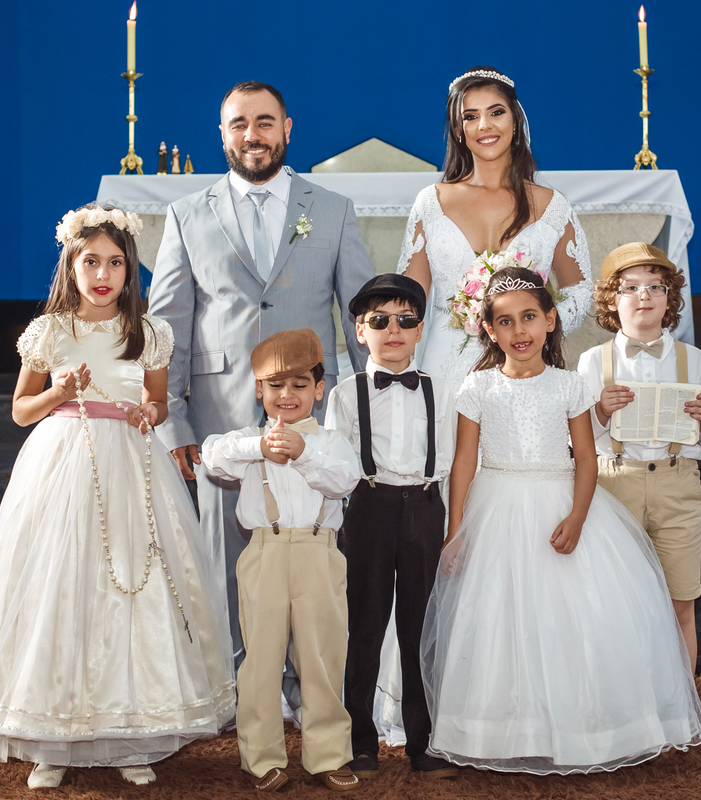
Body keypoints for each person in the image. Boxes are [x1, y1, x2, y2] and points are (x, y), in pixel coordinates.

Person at [0, 204, 235, 790]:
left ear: (131, 271)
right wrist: (57, 388)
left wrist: (148, 412)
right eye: (91, 262)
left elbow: (158, 404)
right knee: (62, 592)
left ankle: (130, 735)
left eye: (115, 263)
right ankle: (53, 741)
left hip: (131, 469)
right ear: (71, 265)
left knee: (132, 592)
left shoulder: (150, 333)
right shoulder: (52, 331)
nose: (103, 273)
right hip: (63, 466)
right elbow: (19, 411)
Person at [420, 266, 701, 774]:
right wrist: (455, 532)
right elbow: (464, 462)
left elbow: (584, 457)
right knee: (498, 622)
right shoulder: (478, 387)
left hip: (562, 503)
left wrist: (578, 517)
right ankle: (502, 730)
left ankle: (587, 729)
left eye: (529, 317)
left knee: (575, 621)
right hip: (498, 509)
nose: (520, 331)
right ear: (488, 329)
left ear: (551, 320)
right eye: (505, 322)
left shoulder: (569, 385)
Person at [149, 81, 374, 657]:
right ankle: (235, 677)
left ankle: (307, 677)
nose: (253, 135)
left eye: (265, 122)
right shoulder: (186, 214)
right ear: (222, 133)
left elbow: (359, 317)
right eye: (239, 124)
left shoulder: (331, 210)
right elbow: (166, 326)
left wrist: (371, 407)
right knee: (226, 549)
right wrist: (173, 421)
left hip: (313, 410)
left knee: (313, 542)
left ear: (287, 128)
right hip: (219, 406)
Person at [202, 329, 361, 792]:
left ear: (319, 389)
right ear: (258, 391)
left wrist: (303, 451)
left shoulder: (330, 441)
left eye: (298, 385)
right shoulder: (247, 440)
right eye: (275, 386)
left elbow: (345, 480)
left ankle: (329, 754)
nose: (286, 396)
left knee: (323, 656)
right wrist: (260, 447)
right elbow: (213, 456)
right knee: (261, 661)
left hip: (318, 554)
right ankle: (262, 758)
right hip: (264, 554)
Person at [324, 274, 457, 781]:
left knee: (420, 627)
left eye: (406, 320)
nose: (393, 330)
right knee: (365, 625)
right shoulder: (344, 393)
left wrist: (449, 526)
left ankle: (423, 741)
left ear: (420, 330)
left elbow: (449, 460)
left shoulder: (440, 393)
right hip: (368, 509)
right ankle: (361, 742)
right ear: (360, 331)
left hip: (424, 508)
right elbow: (335, 465)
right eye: (379, 321)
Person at [576, 243, 701, 672]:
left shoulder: (693, 359)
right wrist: (600, 412)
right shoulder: (592, 362)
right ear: (611, 299)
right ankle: (623, 705)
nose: (644, 295)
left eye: (655, 287)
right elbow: (574, 442)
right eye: (631, 287)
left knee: (682, 603)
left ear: (669, 299)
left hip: (677, 486)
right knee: (614, 603)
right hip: (612, 487)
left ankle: (681, 713)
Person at [399, 66, 593, 395]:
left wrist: (534, 325)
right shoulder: (431, 203)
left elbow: (581, 290)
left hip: (525, 365)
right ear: (459, 130)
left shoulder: (551, 206)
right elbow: (409, 298)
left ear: (515, 121)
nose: (485, 125)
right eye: (471, 116)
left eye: (496, 112)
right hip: (446, 369)